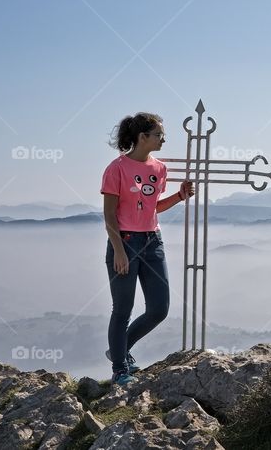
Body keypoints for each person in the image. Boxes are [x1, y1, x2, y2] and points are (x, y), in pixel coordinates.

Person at [101, 112, 194, 385]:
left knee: (159, 308)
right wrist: (118, 250)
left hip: (153, 241)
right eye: (158, 135)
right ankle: (120, 369)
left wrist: (179, 196)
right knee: (123, 309)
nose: (163, 139)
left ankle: (118, 349)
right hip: (126, 242)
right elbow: (109, 215)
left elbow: (153, 208)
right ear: (142, 137)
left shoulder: (159, 169)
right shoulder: (116, 168)